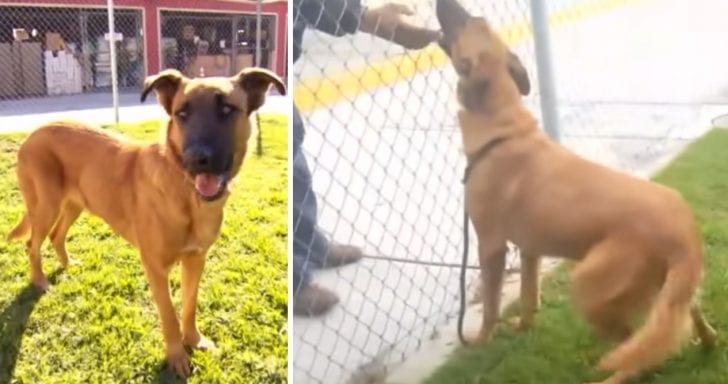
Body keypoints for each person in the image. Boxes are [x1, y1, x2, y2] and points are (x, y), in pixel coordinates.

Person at [292, 0, 441, 316]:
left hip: (272, 51)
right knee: (283, 163)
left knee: (294, 162)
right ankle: (293, 282)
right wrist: (366, 18)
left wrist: (365, 18)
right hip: (252, 42)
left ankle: (311, 247)